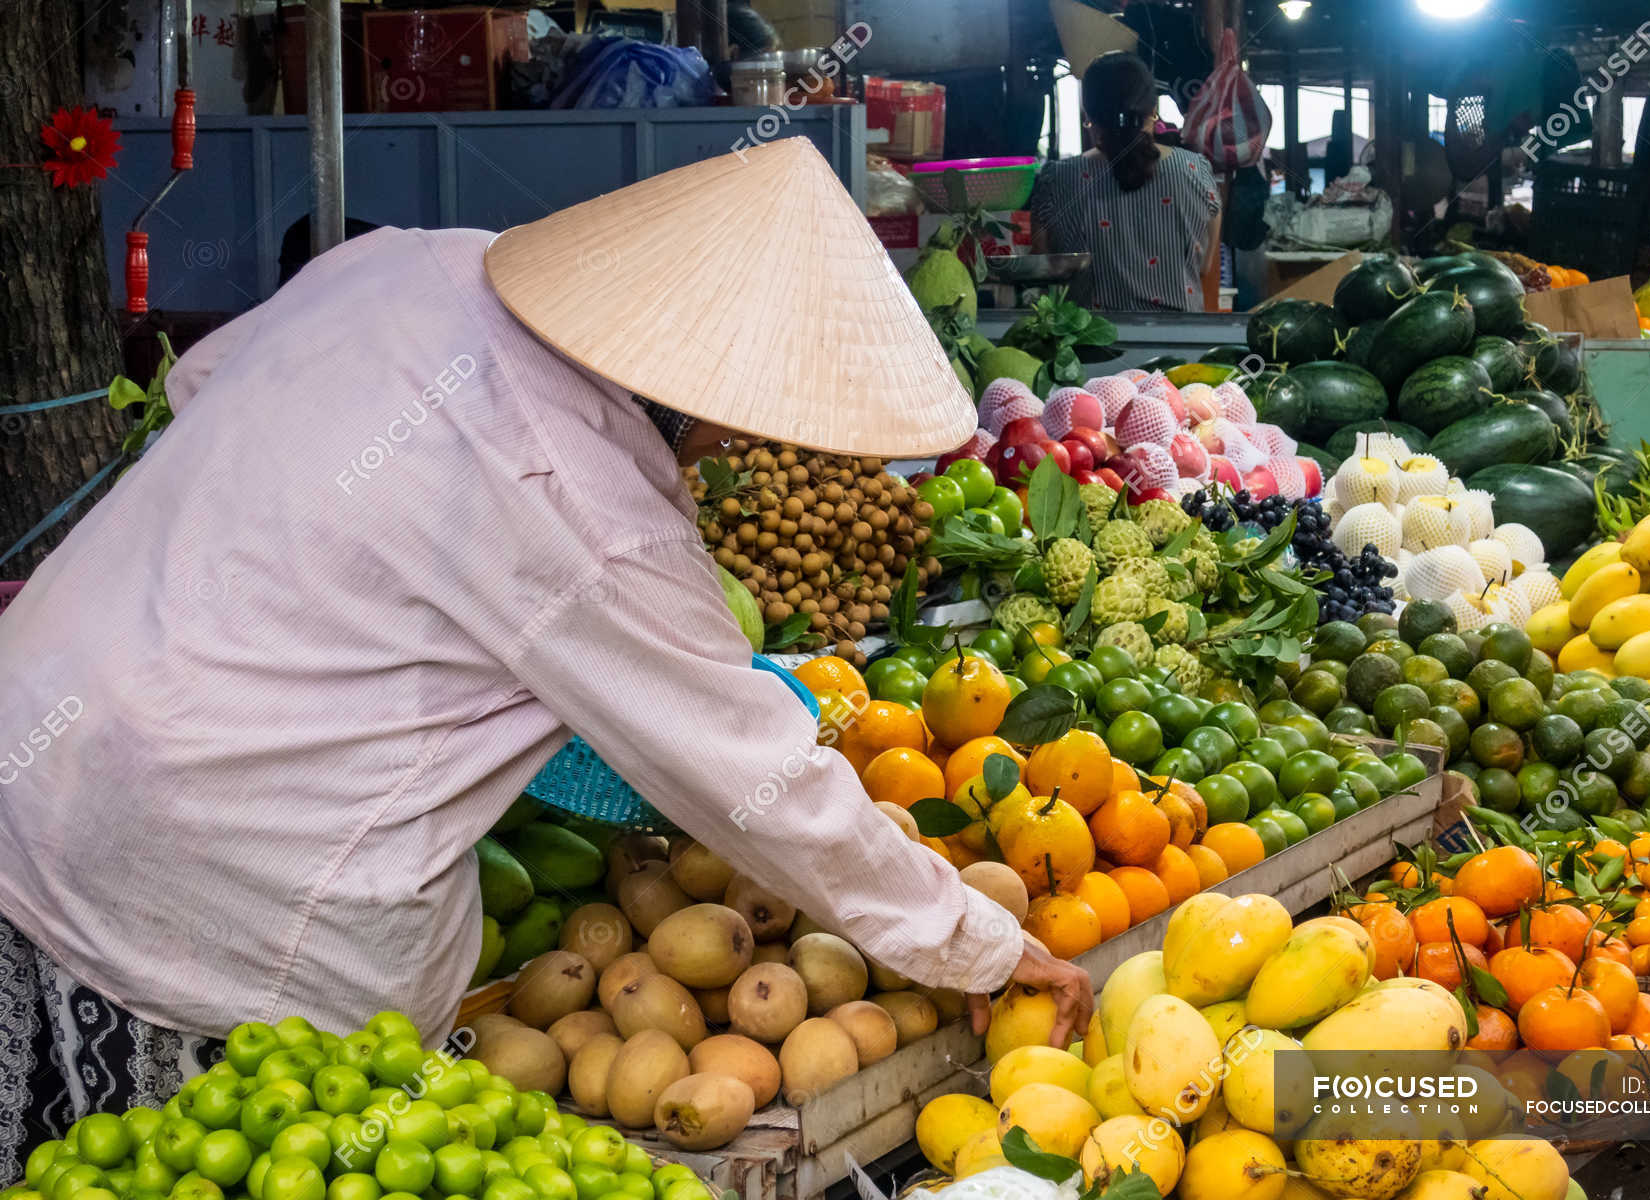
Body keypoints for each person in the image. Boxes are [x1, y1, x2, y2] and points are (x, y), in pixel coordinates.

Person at [0, 138, 1091, 1170]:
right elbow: (761, 775)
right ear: (708, 395)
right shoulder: (588, 499)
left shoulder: (403, 267)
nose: (735, 452)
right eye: (747, 424)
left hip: (33, 725)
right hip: (193, 879)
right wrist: (976, 944)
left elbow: (203, 391)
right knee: (191, 1164)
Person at [1030, 51, 1221, 312]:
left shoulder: (1055, 179)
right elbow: (1204, 266)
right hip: (1180, 344)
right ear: (1153, 109)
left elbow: (1045, 271)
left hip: (1087, 347)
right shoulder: (1196, 170)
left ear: (1089, 114)